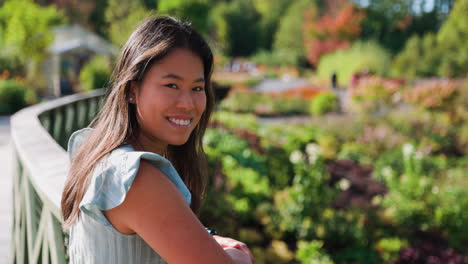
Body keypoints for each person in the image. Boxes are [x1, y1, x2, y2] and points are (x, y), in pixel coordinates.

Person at [61, 16, 254, 264]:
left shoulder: (98, 154)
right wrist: (239, 256)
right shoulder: (135, 179)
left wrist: (206, 240)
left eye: (197, 88)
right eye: (171, 85)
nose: (187, 104)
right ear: (132, 90)